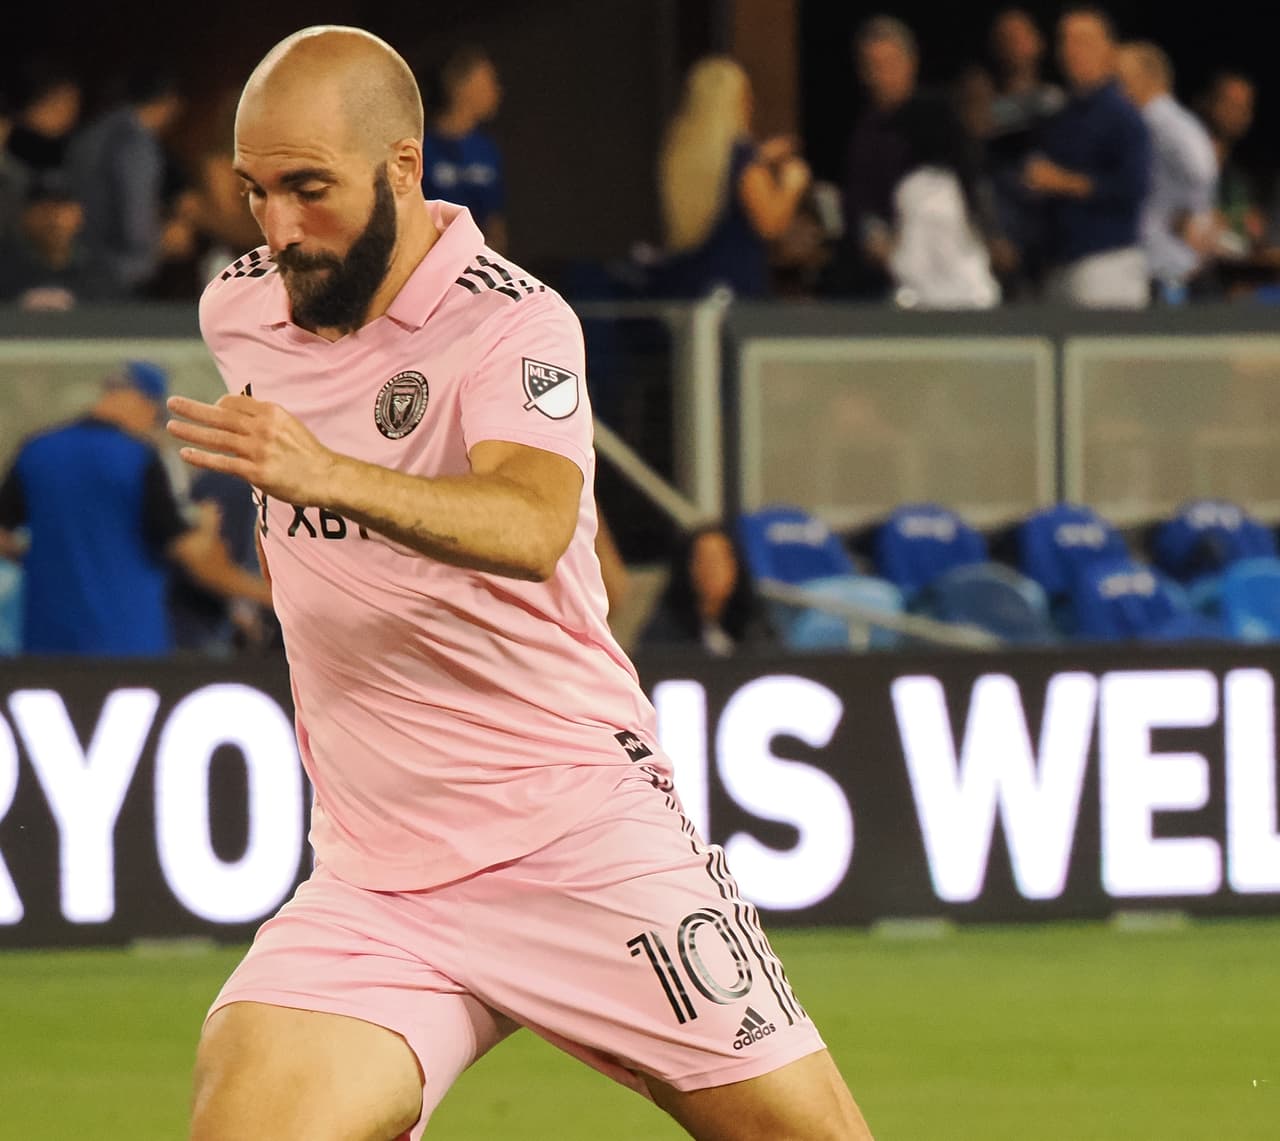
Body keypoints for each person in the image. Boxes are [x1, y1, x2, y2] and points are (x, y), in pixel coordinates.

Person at [167, 25, 872, 1141]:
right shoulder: (240, 310)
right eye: (255, 192)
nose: (278, 229)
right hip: (377, 882)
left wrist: (326, 476)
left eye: (309, 188)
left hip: (573, 829)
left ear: (403, 166)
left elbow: (536, 522)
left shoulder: (510, 320)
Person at [0, 361, 271, 656]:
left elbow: (3, 534)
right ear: (140, 401)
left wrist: (37, 558)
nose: (151, 425)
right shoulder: (138, 458)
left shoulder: (38, 450)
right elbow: (193, 556)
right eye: (154, 416)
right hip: (128, 638)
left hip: (48, 637)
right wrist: (206, 530)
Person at [1024, 7, 1151, 307]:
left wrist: (1061, 182)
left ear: (1108, 50)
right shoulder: (1062, 115)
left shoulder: (1122, 116)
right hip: (1060, 264)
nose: (1071, 50)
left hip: (1106, 266)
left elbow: (1132, 188)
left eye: (1082, 41)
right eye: (1065, 41)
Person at [657, 56, 811, 299]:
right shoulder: (741, 157)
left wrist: (760, 157)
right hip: (736, 288)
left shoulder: (682, 154)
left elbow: (719, 185)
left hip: (690, 282)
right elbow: (770, 224)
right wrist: (792, 184)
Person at [66, 69, 185, 297]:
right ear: (169, 102)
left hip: (78, 263)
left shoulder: (90, 133)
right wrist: (161, 240)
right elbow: (135, 220)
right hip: (117, 272)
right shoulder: (135, 142)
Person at [1115, 42, 1219, 302]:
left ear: (1147, 78)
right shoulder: (1142, 122)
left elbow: (1202, 168)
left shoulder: (1166, 121)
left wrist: (1196, 215)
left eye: (1120, 79)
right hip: (1150, 265)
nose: (1115, 89)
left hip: (1171, 270)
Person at [885, 98, 1001, 309]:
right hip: (978, 301)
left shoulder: (917, 187)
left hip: (943, 311)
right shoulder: (964, 182)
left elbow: (912, 263)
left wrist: (889, 254)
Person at [419, 45, 507, 252]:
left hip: (477, 262)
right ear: (460, 86)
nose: (497, 91)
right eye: (488, 82)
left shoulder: (487, 150)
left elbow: (495, 221)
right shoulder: (423, 148)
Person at [641, 524, 773, 655]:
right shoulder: (664, 629)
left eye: (720, 560)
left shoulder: (756, 624)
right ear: (687, 567)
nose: (712, 570)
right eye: (704, 560)